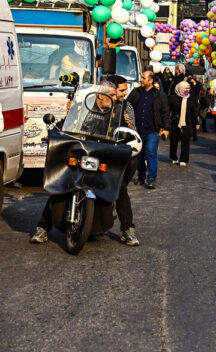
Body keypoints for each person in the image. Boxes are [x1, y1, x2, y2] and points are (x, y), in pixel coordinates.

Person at [30, 81, 126, 244]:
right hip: (79, 149)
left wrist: (126, 135)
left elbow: (120, 130)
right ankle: (42, 227)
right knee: (60, 182)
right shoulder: (81, 107)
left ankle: (128, 228)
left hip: (101, 153)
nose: (115, 98)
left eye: (115, 95)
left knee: (118, 184)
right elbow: (66, 123)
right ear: (100, 96)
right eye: (111, 95)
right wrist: (55, 132)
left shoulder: (117, 111)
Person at [105, 75, 139, 246]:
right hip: (93, 149)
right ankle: (43, 226)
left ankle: (128, 229)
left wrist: (129, 125)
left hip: (115, 151)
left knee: (121, 186)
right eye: (122, 90)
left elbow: (133, 130)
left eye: (126, 90)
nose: (125, 93)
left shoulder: (126, 106)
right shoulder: (93, 102)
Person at [127, 71, 171, 190]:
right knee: (139, 156)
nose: (141, 80)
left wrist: (166, 128)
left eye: (143, 78)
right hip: (137, 131)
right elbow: (127, 106)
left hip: (152, 131)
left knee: (151, 154)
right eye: (141, 78)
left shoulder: (159, 95)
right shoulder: (136, 92)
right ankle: (141, 176)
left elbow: (165, 112)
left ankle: (151, 178)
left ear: (151, 81)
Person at [169, 81, 199, 167]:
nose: (187, 90)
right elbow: (168, 110)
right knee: (173, 141)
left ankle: (183, 159)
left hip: (187, 123)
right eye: (186, 88)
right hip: (175, 123)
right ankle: (173, 157)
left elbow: (194, 112)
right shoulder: (173, 98)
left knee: (185, 142)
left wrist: (196, 123)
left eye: (188, 89)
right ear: (180, 88)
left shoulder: (190, 99)